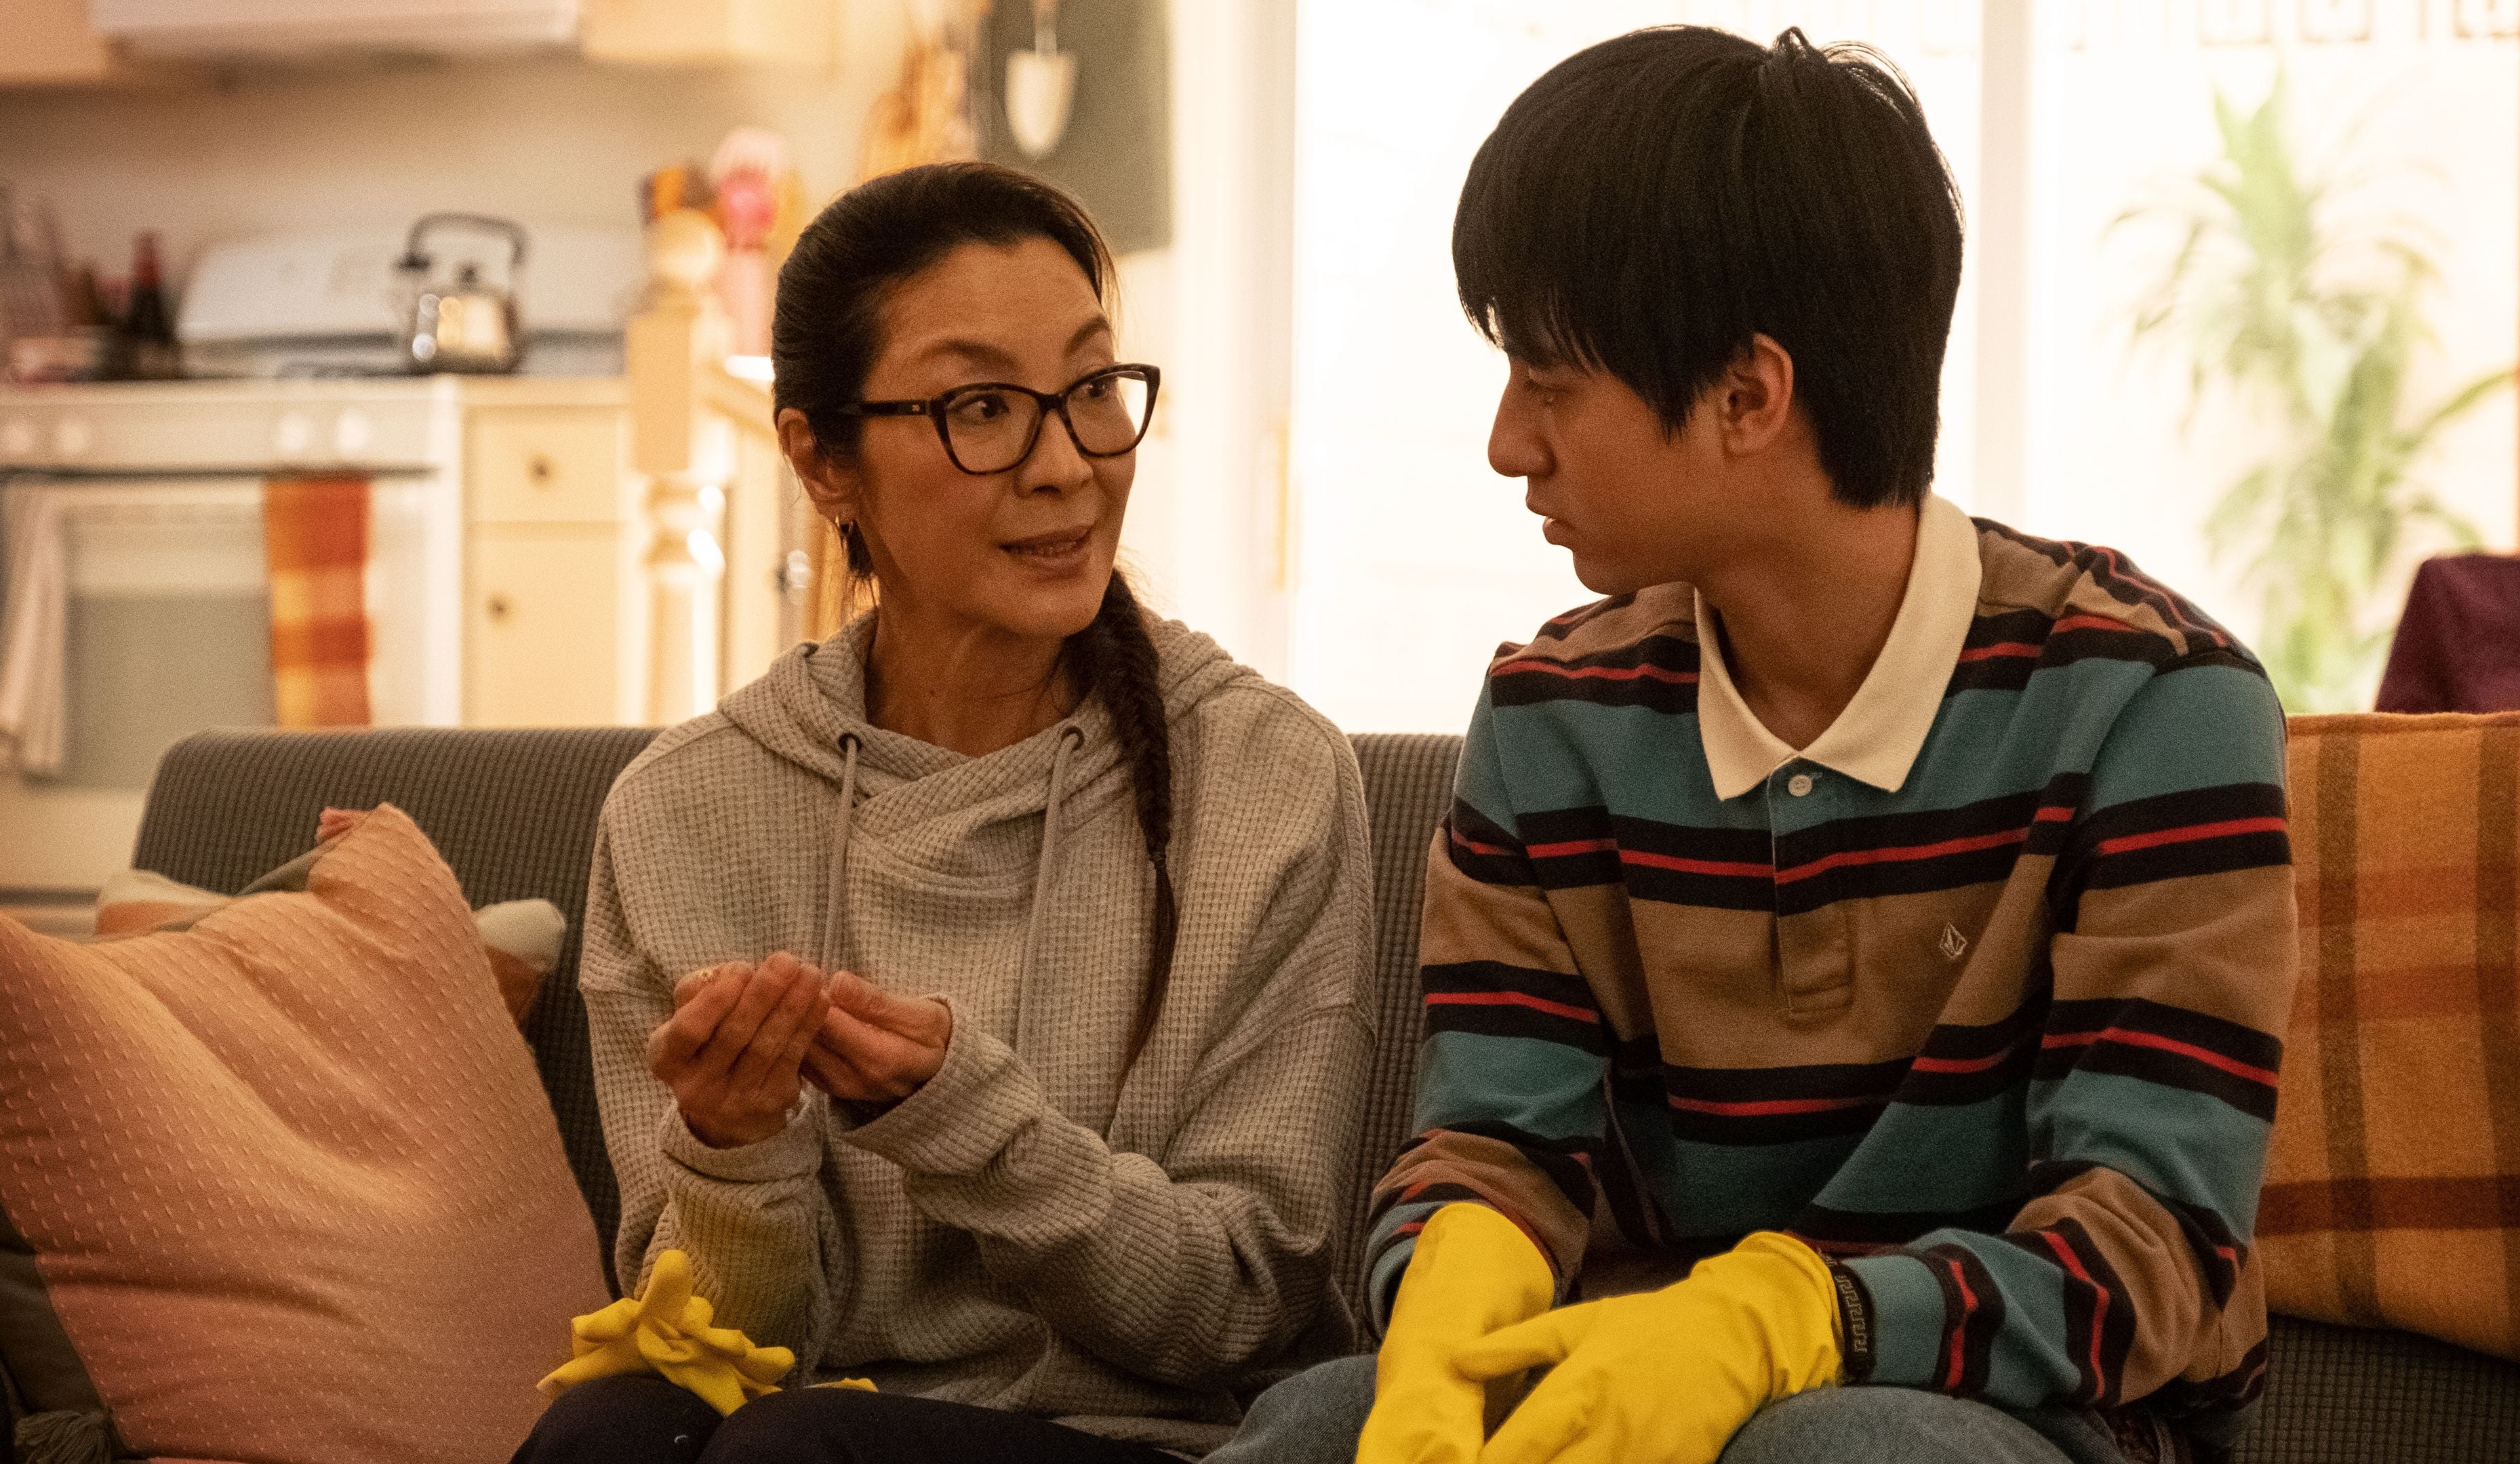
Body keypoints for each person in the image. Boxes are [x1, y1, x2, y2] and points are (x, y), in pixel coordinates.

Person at [1212, 25, 2294, 1464]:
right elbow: (1498, 1149)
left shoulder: (2154, 704)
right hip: (1625, 1371)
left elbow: (2152, 1250)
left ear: (1746, 397)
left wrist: (1786, 1318)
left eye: (1549, 381)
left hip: (2026, 1414)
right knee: (1321, 1425)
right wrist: (1452, 1295)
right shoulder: (1552, 715)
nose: (1506, 443)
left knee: (1831, 1453)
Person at [516, 161, 1374, 1464]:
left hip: (1153, 1441)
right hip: (803, 1430)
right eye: (983, 408)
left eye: (1094, 389)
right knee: (609, 1431)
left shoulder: (1268, 779)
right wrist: (737, 1154)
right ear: (821, 461)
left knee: (795, 1456)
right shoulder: (684, 812)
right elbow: (719, 1347)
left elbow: (1241, 1306)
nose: (1067, 467)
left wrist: (970, 1121)